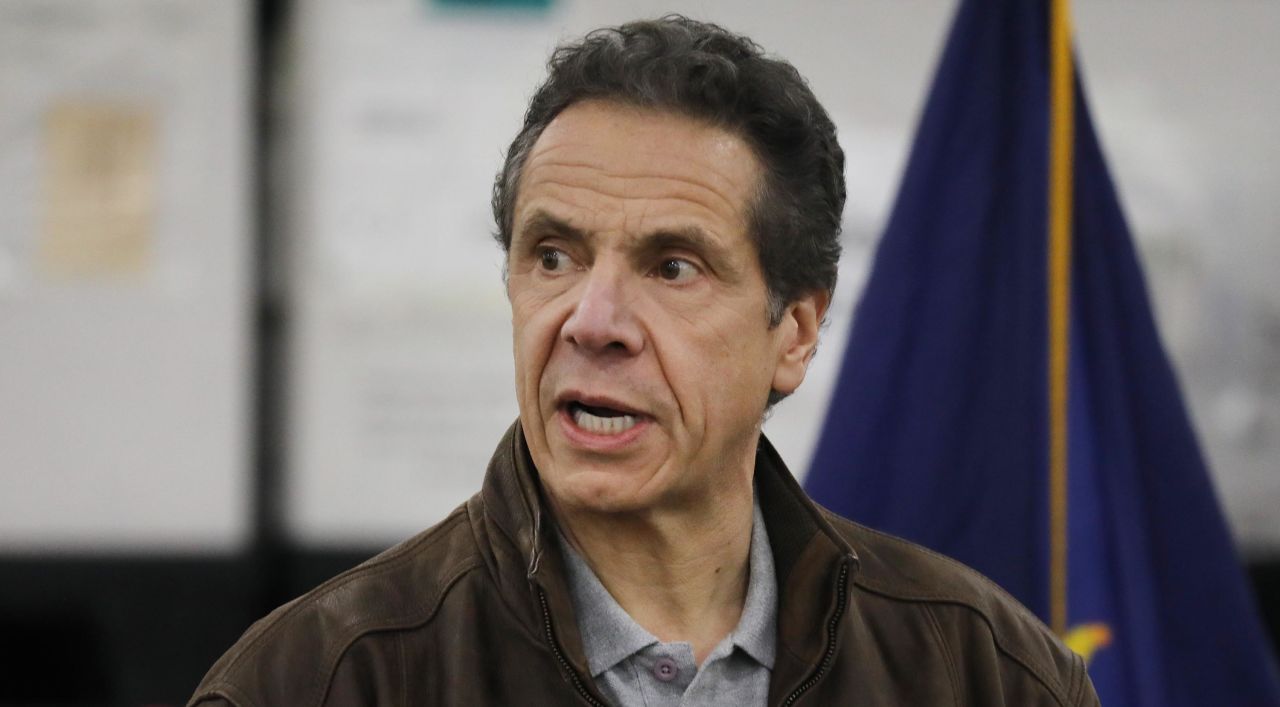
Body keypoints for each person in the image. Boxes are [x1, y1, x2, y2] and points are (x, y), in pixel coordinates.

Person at [190, 16, 1099, 707]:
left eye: (673, 266)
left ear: (796, 332)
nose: (593, 321)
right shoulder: (321, 680)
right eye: (555, 255)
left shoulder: (986, 671)